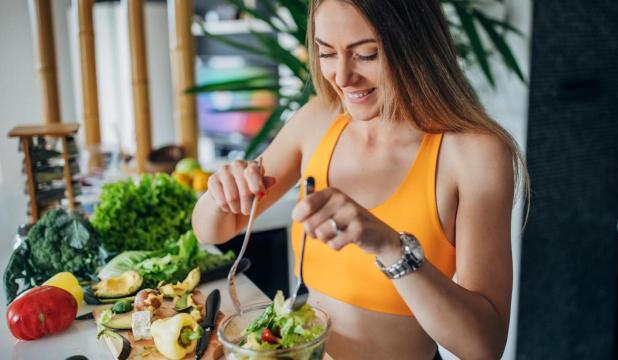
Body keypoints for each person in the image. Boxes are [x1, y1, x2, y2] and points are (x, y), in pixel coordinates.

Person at [192, 0, 529, 358]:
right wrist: (223, 190)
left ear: (416, 45)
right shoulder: (318, 120)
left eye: (366, 55)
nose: (341, 76)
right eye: (326, 53)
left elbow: (484, 346)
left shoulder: (474, 154)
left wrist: (389, 247)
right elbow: (212, 230)